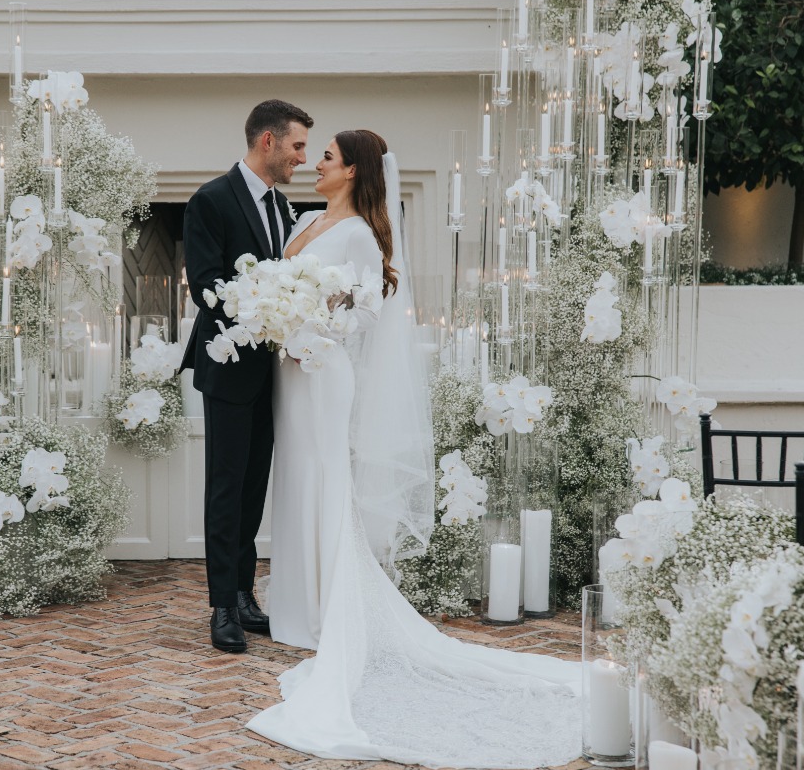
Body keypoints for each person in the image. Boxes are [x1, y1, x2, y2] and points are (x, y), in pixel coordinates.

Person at [247, 130, 583, 768]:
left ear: (352, 171)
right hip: (289, 374)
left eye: (328, 157)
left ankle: (324, 611)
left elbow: (369, 306)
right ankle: (295, 605)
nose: (316, 163)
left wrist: (315, 327)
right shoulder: (310, 221)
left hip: (322, 372)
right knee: (294, 476)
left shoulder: (361, 236)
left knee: (324, 476)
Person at [180, 99, 312, 654]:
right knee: (226, 489)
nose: (302, 157)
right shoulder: (210, 200)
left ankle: (244, 592)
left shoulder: (283, 208)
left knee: (254, 487)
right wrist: (260, 309)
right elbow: (206, 285)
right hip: (229, 367)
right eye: (298, 146)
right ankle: (220, 608)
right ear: (268, 143)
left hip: (271, 374)